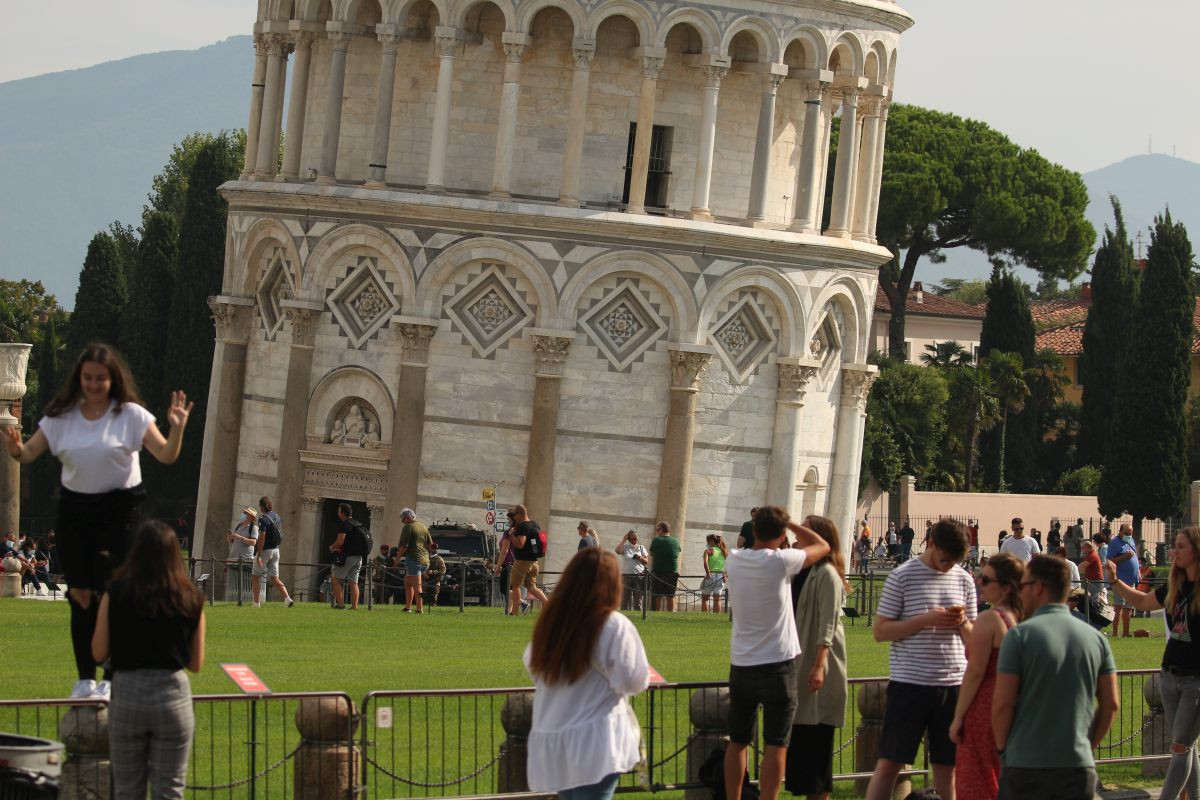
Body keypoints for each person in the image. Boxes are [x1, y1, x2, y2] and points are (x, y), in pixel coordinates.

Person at [2, 343, 192, 700]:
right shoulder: (62, 416)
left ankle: (111, 675)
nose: (93, 384)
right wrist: (14, 449)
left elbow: (166, 454)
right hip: (75, 511)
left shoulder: (132, 415)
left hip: (122, 511)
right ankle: (85, 678)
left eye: (100, 378)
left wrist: (177, 428)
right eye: (87, 377)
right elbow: (28, 453)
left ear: (113, 379)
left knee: (114, 594)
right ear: (79, 379)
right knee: (80, 595)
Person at [91, 521, 206, 800]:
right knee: (170, 791)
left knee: (128, 791)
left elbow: (98, 653)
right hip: (172, 695)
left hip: (128, 691)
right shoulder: (191, 598)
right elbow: (195, 663)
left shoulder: (115, 592)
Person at [525, 548, 649, 800]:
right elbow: (633, 680)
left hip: (554, 737)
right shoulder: (612, 625)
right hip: (596, 741)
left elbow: (532, 665)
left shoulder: (550, 623)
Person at [865, 519, 977, 800]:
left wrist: (962, 623)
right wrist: (925, 620)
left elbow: (974, 641)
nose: (949, 565)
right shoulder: (902, 576)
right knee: (890, 763)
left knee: (947, 766)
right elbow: (880, 631)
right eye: (945, 559)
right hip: (910, 684)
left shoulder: (963, 580)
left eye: (955, 561)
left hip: (952, 685)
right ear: (932, 544)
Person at [724, 506, 830, 800]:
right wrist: (793, 523)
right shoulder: (782, 561)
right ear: (783, 535)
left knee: (738, 741)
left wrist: (776, 524)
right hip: (778, 665)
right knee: (776, 744)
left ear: (754, 530)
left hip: (742, 663)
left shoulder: (734, 561)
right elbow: (823, 546)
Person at [991, 554, 1118, 800]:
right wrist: (1087, 746)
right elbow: (1111, 703)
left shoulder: (1019, 637)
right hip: (1077, 765)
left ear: (1038, 588)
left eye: (1023, 585)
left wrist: (1003, 749)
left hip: (1025, 763)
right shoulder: (1097, 639)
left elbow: (1003, 703)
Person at [1105, 527, 1200, 800]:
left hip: (1196, 682)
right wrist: (1115, 583)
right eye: (1174, 546)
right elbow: (1144, 603)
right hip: (1169, 676)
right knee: (1186, 746)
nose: (1174, 551)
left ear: (1196, 550)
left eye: (1181, 546)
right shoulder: (1175, 584)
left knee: (1180, 747)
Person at [949, 552, 1024, 800]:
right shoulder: (1020, 618)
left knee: (977, 779)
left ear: (1004, 588)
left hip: (984, 704)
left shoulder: (990, 618)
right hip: (1013, 702)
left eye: (986, 579)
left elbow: (975, 671)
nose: (980, 582)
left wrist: (958, 717)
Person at [786, 515, 850, 800]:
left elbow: (827, 624)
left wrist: (819, 664)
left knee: (816, 751)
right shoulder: (802, 571)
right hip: (804, 664)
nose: (797, 537)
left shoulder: (826, 574)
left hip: (818, 666)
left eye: (804, 532)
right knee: (805, 749)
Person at [252, 496, 294, 608]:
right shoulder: (276, 516)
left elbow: (262, 537)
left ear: (261, 507)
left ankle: (256, 603)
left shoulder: (262, 519)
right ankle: (287, 599)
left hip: (265, 551)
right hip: (276, 550)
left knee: (256, 576)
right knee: (275, 578)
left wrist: (259, 555)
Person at [507, 504, 549, 615]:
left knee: (515, 586)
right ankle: (549, 605)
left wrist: (511, 535)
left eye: (515, 515)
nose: (514, 517)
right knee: (532, 587)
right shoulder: (535, 524)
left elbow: (520, 544)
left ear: (520, 514)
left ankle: (515, 613)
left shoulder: (523, 526)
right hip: (534, 562)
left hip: (523, 561)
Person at [328, 503, 369, 610]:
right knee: (353, 582)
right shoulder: (357, 524)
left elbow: (340, 541)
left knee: (335, 579)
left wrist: (332, 547)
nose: (338, 513)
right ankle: (354, 607)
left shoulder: (345, 525)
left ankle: (341, 605)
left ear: (342, 513)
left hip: (348, 557)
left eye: (338, 511)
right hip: (359, 557)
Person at [395, 508, 433, 613]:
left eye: (403, 519)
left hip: (414, 559)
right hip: (425, 560)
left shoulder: (408, 527)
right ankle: (408, 607)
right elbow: (430, 545)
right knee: (407, 584)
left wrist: (397, 558)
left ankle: (420, 609)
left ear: (407, 518)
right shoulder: (423, 527)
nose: (403, 522)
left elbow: (404, 546)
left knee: (417, 586)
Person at [1107, 523, 1140, 637]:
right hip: (1120, 581)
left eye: (1130, 533)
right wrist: (1124, 557)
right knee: (1119, 606)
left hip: (1131, 580)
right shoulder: (1114, 543)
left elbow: (1135, 556)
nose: (1128, 535)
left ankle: (1126, 633)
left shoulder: (1131, 541)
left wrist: (1138, 571)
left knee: (1128, 607)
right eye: (1126, 533)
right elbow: (1110, 561)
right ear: (1120, 532)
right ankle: (1115, 633)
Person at [225, 506, 257, 603]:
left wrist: (240, 537)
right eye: (244, 512)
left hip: (245, 559)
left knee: (245, 582)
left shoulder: (254, 528)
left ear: (250, 516)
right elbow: (231, 541)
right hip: (234, 558)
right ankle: (233, 601)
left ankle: (246, 601)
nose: (243, 514)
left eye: (246, 513)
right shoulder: (238, 526)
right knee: (234, 582)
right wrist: (229, 536)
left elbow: (253, 542)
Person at [649, 521, 681, 612]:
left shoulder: (657, 540)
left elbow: (652, 553)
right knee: (670, 596)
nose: (657, 532)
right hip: (672, 572)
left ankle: (656, 614)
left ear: (661, 529)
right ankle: (670, 615)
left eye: (657, 529)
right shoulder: (676, 541)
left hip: (658, 572)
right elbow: (677, 552)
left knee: (657, 595)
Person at [616, 530, 648, 611]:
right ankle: (624, 617)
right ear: (629, 539)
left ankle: (639, 618)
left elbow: (646, 562)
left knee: (638, 601)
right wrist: (623, 539)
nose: (635, 541)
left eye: (636, 539)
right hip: (626, 576)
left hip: (638, 576)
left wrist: (639, 557)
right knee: (624, 600)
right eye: (632, 539)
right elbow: (618, 551)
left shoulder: (641, 547)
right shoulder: (625, 547)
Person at [701, 534, 727, 613]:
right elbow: (729, 565)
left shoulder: (708, 551)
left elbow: (705, 563)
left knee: (705, 598)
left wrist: (708, 573)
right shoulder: (724, 552)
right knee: (717, 599)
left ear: (712, 541)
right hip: (720, 576)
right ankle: (716, 617)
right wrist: (725, 575)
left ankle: (705, 617)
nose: (707, 543)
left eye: (708, 541)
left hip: (711, 575)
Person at [1081, 539, 1105, 603]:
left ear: (1087, 547)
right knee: (1093, 596)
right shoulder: (1090, 555)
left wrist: (1073, 568)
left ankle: (1094, 610)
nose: (1082, 549)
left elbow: (1083, 566)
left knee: (1091, 597)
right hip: (1094, 580)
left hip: (1095, 581)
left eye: (1082, 548)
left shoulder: (1092, 555)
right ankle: (1100, 607)